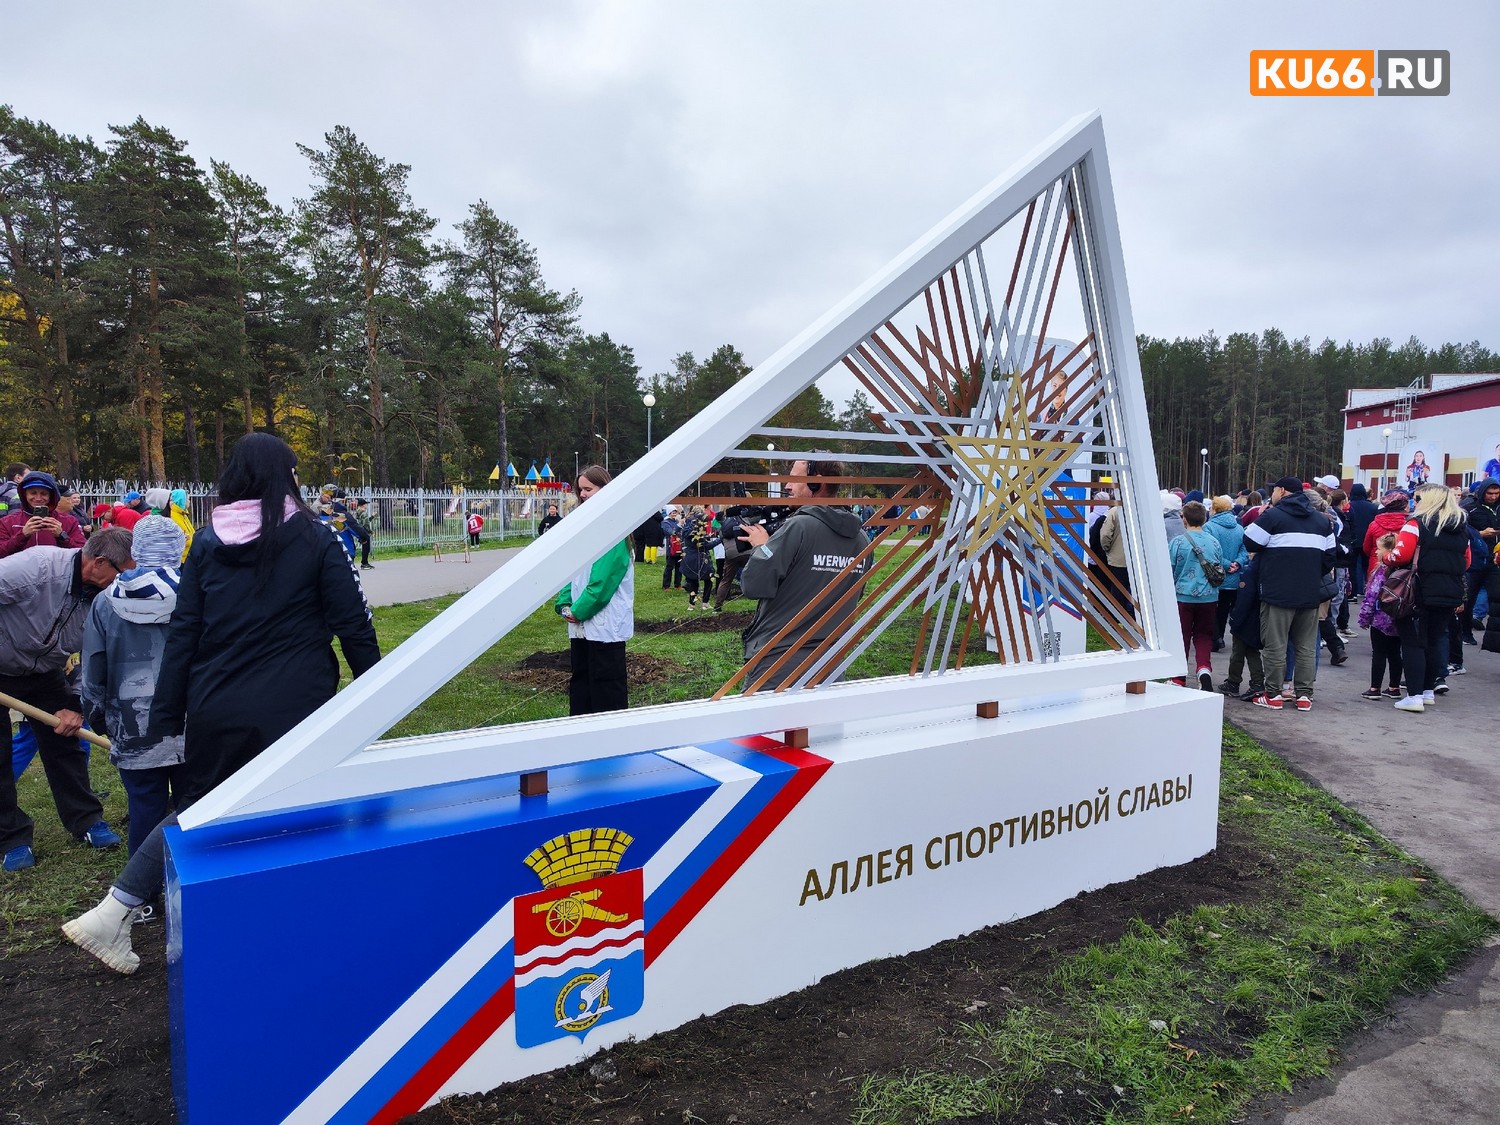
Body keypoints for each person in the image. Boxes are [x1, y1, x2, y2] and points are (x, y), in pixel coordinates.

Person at [62, 433, 381, 971]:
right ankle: (287, 934)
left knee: (201, 809)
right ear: (283, 477)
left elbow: (185, 632)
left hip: (215, 702)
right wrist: (378, 696)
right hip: (293, 704)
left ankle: (117, 909)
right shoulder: (315, 536)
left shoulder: (208, 540)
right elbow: (353, 625)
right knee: (292, 813)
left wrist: (168, 710)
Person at [0, 528, 132, 871]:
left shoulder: (110, 597)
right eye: (124, 572)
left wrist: (74, 704)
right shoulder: (34, 568)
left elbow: (97, 657)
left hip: (45, 672)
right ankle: (11, 837)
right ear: (99, 563)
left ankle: (86, 820)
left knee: (65, 744)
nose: (128, 580)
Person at [80, 515, 188, 856]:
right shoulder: (199, 596)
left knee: (144, 806)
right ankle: (189, 887)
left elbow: (93, 670)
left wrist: (101, 719)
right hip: (195, 724)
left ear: (137, 551)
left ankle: (141, 893)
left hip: (133, 727)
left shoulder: (104, 601)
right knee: (193, 807)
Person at [740, 456, 872, 690]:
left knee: (769, 727)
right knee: (817, 726)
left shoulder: (798, 527)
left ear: (815, 482)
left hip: (778, 663)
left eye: (793, 479)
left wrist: (762, 547)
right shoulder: (861, 540)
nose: (787, 486)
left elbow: (754, 585)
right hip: (829, 663)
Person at [1244, 475, 1335, 712]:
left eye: (1274, 490)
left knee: (1276, 645)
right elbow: (1330, 558)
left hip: (1277, 592)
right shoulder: (1322, 521)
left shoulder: (1273, 516)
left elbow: (1250, 542)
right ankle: (1304, 696)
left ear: (1282, 492)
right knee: (1306, 646)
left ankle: (1273, 694)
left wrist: (1265, 513)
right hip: (1309, 593)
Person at [1379, 483, 1469, 714]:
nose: (1413, 502)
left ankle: (1414, 695)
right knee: (1434, 640)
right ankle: (1428, 690)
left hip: (1418, 591)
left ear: (1426, 500)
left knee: (1413, 643)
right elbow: (1467, 561)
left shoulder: (1415, 524)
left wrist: (1386, 556)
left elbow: (1402, 555)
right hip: (1450, 591)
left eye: (1417, 498)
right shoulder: (1462, 528)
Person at [553, 465, 633, 716]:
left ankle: (610, 741)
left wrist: (579, 610)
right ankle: (580, 734)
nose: (583, 495)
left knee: (606, 688)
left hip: (604, 625)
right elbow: (570, 572)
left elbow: (602, 584)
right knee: (581, 683)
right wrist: (565, 604)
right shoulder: (583, 529)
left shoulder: (615, 532)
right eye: (580, 490)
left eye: (589, 489)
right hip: (580, 625)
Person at [1168, 501, 1224, 692]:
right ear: (1204, 518)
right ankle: (1204, 669)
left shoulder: (1177, 542)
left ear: (1184, 519)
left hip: (1183, 596)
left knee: (1182, 636)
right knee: (1204, 636)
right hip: (1209, 597)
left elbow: (1170, 570)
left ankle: (1178, 676)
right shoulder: (1214, 542)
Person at [1356, 532, 1404, 700]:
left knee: (1379, 653)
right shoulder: (1402, 570)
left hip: (1380, 618)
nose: (1376, 552)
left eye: (1379, 549)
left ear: (1388, 551)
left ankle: (1375, 687)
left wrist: (1364, 618)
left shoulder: (1381, 571)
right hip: (1398, 617)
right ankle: (1394, 687)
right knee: (1395, 653)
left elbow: (1372, 595)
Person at [0, 471, 86, 557]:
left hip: (57, 570)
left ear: (51, 496)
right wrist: (22, 535)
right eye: (33, 493)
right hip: (19, 570)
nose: (38, 498)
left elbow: (83, 554)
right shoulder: (7, 522)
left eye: (44, 494)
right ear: (24, 494)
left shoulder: (69, 521)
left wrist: (62, 536)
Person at [1204, 496, 1248, 650]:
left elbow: (1210, 551)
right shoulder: (1239, 527)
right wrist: (1238, 563)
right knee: (1225, 609)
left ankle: (1216, 639)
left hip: (1216, 575)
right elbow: (1244, 549)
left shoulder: (1209, 527)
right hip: (1235, 577)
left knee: (1212, 610)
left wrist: (1227, 564)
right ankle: (1223, 637)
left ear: (1215, 509)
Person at [680, 506, 716, 611]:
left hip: (689, 557)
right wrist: (719, 540)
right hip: (700, 558)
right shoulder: (698, 529)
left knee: (693, 581)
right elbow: (705, 545)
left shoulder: (686, 527)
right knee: (708, 580)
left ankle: (691, 605)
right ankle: (705, 603)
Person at [660, 506, 684, 589]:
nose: (674, 514)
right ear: (669, 513)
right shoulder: (665, 523)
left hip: (679, 547)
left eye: (675, 512)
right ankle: (666, 585)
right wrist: (679, 525)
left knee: (679, 567)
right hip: (671, 548)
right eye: (672, 512)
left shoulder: (677, 521)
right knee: (669, 567)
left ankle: (678, 584)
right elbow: (671, 532)